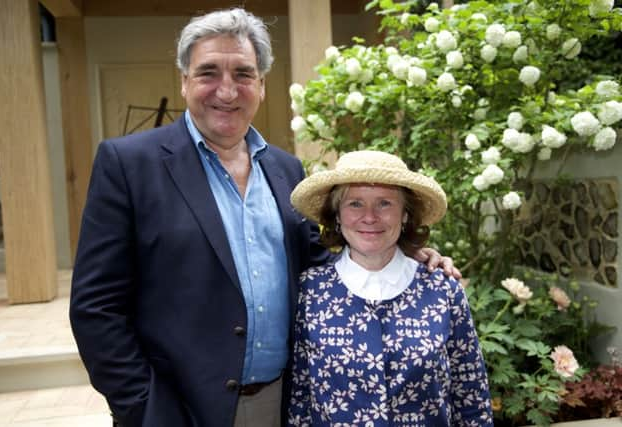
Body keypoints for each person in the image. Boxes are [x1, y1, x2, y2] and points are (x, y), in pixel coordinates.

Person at [69, 8, 458, 427]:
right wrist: (144, 406)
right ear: (184, 81)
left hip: (282, 402)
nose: (227, 90)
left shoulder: (285, 169)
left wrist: (405, 258)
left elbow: (325, 263)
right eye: (208, 73)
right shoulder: (128, 164)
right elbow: (95, 308)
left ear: (262, 85)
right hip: (179, 407)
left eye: (242, 74)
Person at [287, 150, 493, 426]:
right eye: (355, 204)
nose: (369, 217)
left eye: (384, 203)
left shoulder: (442, 290)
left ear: (405, 215)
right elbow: (300, 398)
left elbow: (472, 398)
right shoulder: (311, 290)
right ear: (336, 214)